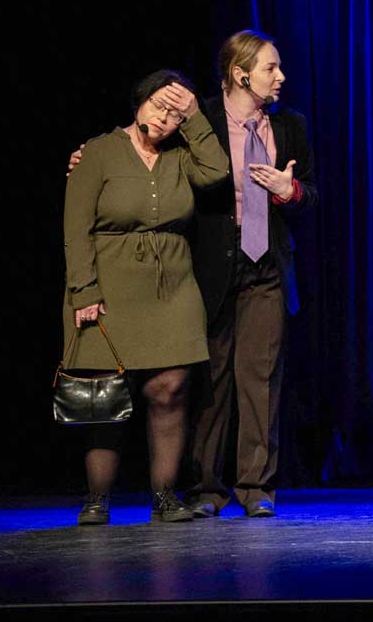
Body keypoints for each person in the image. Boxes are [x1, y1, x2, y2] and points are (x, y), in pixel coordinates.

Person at [63, 71, 229, 525]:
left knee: (169, 390)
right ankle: (97, 499)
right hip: (109, 289)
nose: (164, 117)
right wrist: (84, 289)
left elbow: (217, 171)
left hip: (172, 287)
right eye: (159, 105)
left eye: (175, 113)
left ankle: (165, 498)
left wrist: (195, 118)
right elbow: (76, 227)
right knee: (105, 400)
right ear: (138, 101)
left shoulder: (180, 157)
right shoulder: (97, 153)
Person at [185, 30, 317, 518]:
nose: (280, 76)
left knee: (259, 379)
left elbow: (310, 194)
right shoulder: (201, 120)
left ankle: (256, 486)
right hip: (212, 267)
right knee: (212, 380)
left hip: (266, 264)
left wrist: (288, 190)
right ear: (240, 75)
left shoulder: (289, 125)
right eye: (270, 68)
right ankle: (206, 488)